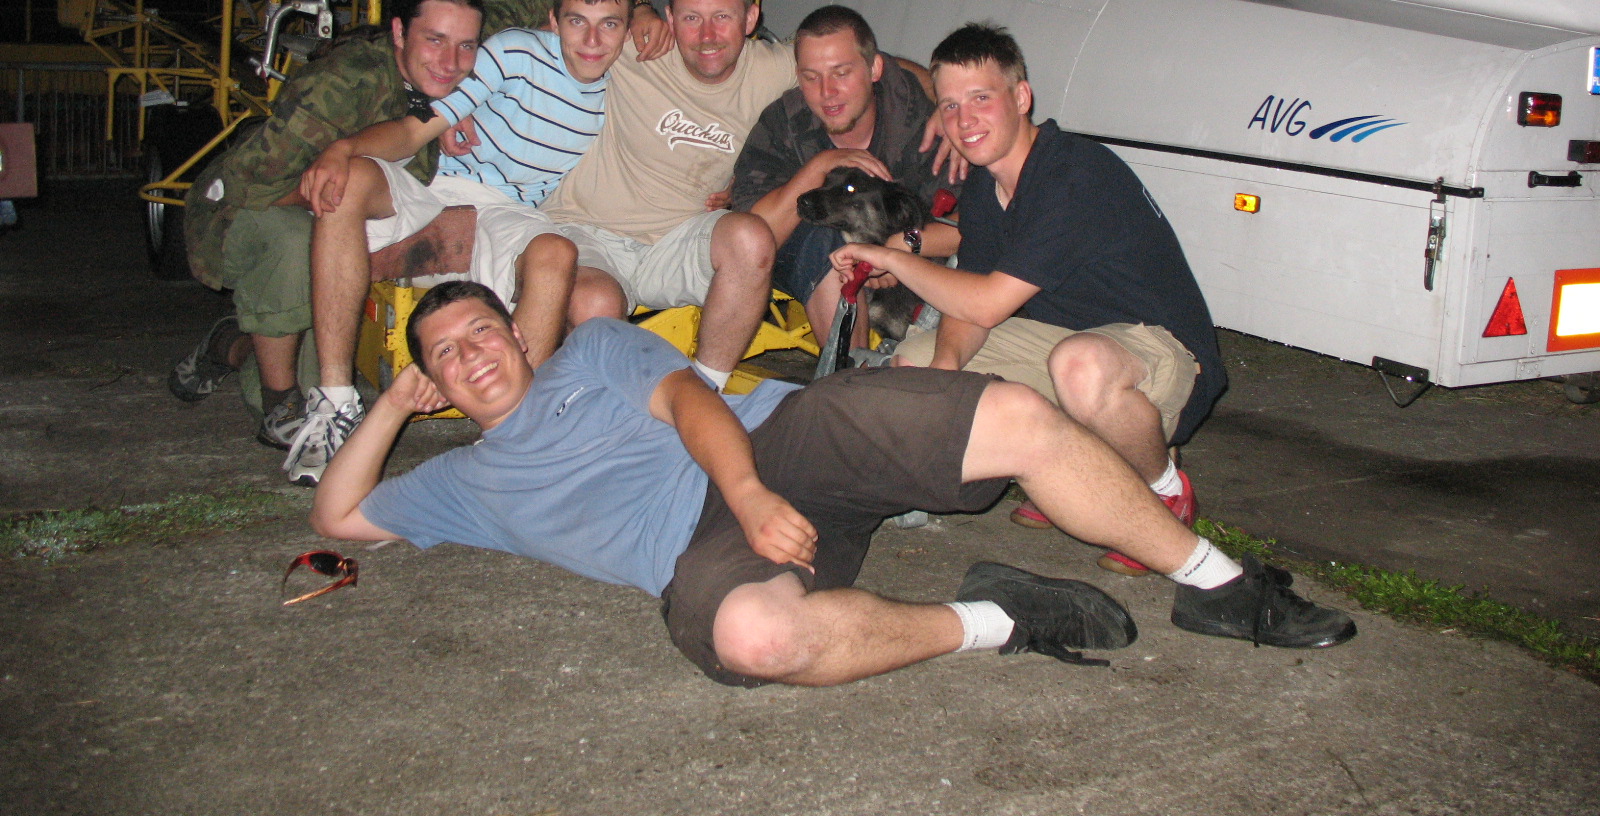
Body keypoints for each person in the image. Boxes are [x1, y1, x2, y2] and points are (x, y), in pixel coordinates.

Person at [310, 281, 1353, 689]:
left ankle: (1218, 585)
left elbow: (693, 404)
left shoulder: (587, 352)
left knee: (1017, 416)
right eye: (444, 354)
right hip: (703, 551)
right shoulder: (464, 481)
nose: (473, 354)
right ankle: (1001, 616)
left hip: (781, 444)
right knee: (754, 641)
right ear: (434, 382)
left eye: (482, 330)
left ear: (516, 334)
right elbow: (337, 514)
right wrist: (390, 405)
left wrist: (753, 491)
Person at [832, 23, 1227, 576]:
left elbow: (989, 303)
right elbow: (968, 305)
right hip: (1064, 339)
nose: (964, 120)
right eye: (950, 105)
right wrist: (944, 372)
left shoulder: (1074, 173)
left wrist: (895, 257)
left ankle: (1161, 489)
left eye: (981, 98)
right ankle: (1071, 469)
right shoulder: (986, 185)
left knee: (1080, 366)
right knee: (916, 363)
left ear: (1021, 98)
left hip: (1159, 351)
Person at [285, 0, 660, 486]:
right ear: (553, 21)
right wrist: (342, 149)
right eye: (577, 21)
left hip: (509, 211)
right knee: (350, 181)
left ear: (625, 30)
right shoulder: (513, 52)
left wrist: (646, 11)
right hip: (438, 186)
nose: (593, 41)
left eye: (611, 25)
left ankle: (516, 435)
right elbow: (415, 130)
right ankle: (334, 404)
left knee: (556, 253)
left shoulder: (627, 81)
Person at [169, 0, 484, 444]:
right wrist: (333, 188)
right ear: (399, 33)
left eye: (466, 46)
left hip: (326, 224)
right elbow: (252, 181)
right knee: (292, 242)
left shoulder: (447, 77)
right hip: (237, 212)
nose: (451, 61)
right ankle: (278, 403)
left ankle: (228, 342)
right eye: (435, 40)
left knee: (315, 349)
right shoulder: (345, 82)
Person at [532, 0, 799, 392]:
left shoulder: (770, 68)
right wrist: (460, 106)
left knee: (751, 239)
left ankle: (705, 391)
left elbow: (856, 62)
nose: (708, 35)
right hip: (589, 230)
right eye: (692, 17)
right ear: (671, 18)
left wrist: (929, 98)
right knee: (596, 302)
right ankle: (579, 408)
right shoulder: (633, 46)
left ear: (751, 19)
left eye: (723, 16)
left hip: (678, 241)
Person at [731, 4, 961, 347]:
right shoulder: (784, 123)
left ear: (874, 69)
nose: (827, 92)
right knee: (825, 243)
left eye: (841, 73)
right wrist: (819, 166)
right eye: (811, 77)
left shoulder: (920, 123)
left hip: (916, 264)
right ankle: (850, 375)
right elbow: (751, 237)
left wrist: (893, 251)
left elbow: (978, 223)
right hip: (807, 262)